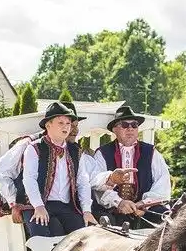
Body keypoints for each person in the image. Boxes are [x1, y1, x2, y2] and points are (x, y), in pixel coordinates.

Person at [21, 101, 97, 237]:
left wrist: (86, 211)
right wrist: (38, 206)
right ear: (48, 125)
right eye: (61, 123)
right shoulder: (34, 148)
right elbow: (29, 179)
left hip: (66, 206)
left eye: (68, 123)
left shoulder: (75, 151)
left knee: (83, 236)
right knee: (43, 235)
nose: (66, 127)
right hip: (39, 204)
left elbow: (83, 182)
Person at [89, 104, 171, 226]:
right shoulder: (103, 153)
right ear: (115, 129)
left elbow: (162, 184)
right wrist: (119, 202)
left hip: (143, 208)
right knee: (104, 223)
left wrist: (144, 204)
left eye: (134, 125)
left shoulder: (151, 152)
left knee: (165, 217)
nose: (130, 129)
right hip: (112, 208)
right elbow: (96, 185)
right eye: (125, 125)